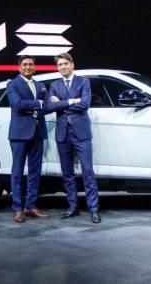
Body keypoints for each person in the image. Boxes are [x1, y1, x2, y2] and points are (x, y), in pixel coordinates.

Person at [46, 52, 101, 223]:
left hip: (81, 133)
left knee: (88, 171)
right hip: (62, 134)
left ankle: (93, 209)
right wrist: (71, 101)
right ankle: (72, 207)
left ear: (72, 64)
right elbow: (50, 107)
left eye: (65, 63)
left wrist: (61, 104)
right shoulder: (54, 85)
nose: (63, 67)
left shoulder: (83, 82)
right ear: (57, 67)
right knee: (67, 173)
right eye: (60, 65)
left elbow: (85, 104)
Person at [6, 55, 50, 223]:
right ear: (19, 67)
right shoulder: (12, 84)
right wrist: (38, 104)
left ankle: (30, 206)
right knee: (17, 172)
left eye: (31, 64)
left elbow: (47, 106)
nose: (28, 67)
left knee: (35, 171)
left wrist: (41, 106)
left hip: (37, 132)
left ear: (34, 67)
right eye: (24, 64)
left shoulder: (40, 85)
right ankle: (18, 209)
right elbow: (17, 104)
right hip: (19, 133)